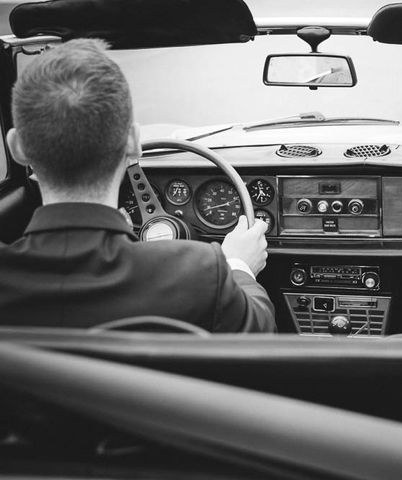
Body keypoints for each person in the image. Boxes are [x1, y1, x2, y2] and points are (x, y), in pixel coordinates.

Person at [0, 38, 275, 332]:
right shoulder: (204, 273)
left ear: (17, 147)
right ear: (133, 143)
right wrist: (238, 266)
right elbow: (262, 333)